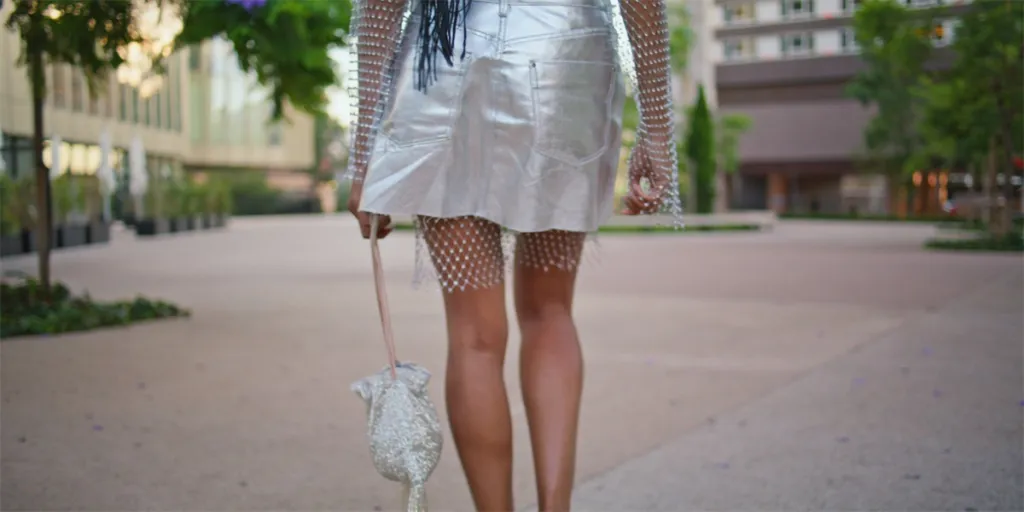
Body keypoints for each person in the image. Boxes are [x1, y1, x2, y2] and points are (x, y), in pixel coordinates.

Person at [345, 0, 681, 510]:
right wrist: (656, 128)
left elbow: (382, 6)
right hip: (565, 63)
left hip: (447, 62)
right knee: (550, 313)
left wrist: (364, 148)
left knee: (474, 336)